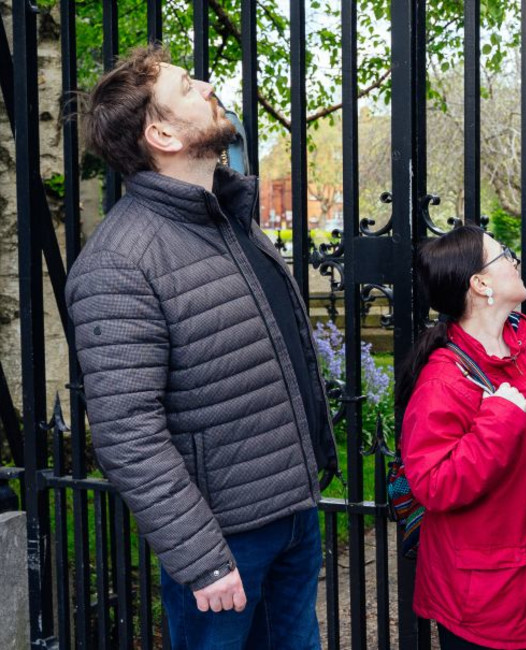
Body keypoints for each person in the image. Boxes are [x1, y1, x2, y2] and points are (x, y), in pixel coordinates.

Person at [66, 44, 337, 649]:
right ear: (161, 134)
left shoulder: (230, 219)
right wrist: (202, 558)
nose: (209, 87)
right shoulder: (118, 263)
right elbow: (127, 433)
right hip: (224, 544)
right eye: (188, 86)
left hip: (291, 514)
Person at [397, 226, 526, 650]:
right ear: (480, 283)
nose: (515, 260)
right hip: (488, 600)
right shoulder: (444, 380)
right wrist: (500, 418)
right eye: (503, 255)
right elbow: (435, 485)